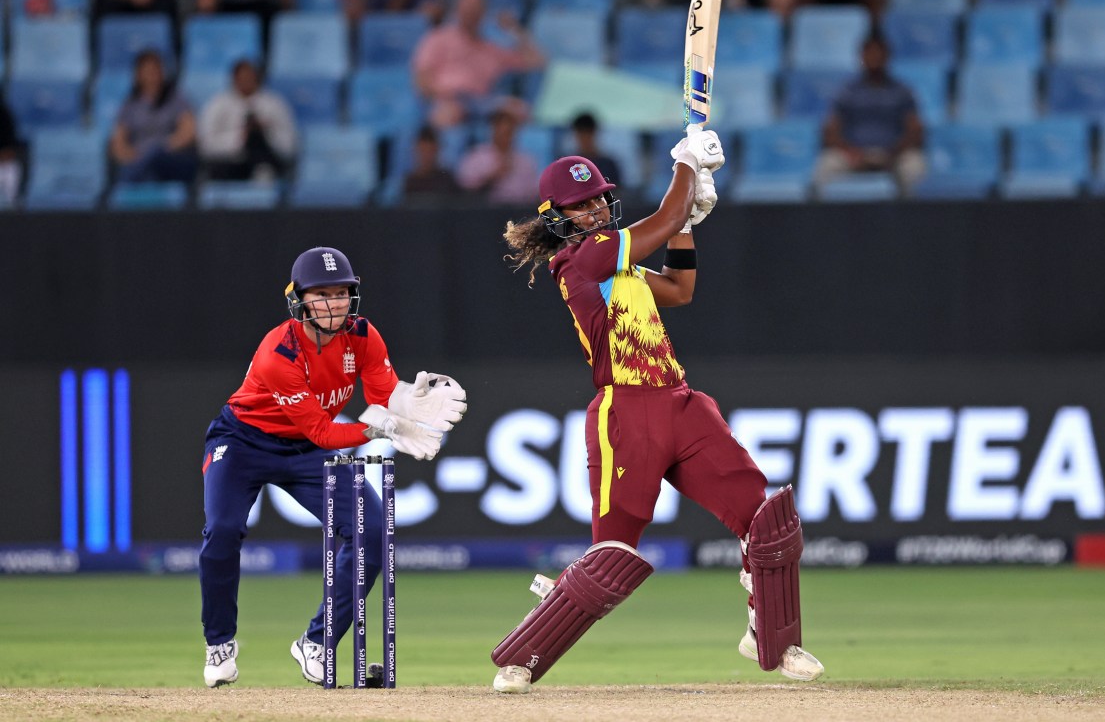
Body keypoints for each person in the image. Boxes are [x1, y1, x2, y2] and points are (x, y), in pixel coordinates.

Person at [490, 126, 824, 694]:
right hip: (625, 413)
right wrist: (686, 167)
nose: (595, 210)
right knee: (612, 556)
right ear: (558, 219)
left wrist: (688, 225)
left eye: (598, 198)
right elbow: (661, 221)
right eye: (580, 205)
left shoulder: (618, 264)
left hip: (681, 402)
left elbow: (678, 289)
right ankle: (526, 652)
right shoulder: (583, 261)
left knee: (764, 521)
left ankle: (773, 635)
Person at [199, 246, 467, 688]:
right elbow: (325, 433)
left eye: (342, 292)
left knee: (373, 531)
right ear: (299, 299)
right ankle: (219, 642)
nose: (334, 303)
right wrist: (378, 429)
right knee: (223, 531)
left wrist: (407, 401)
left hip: (303, 450)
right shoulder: (278, 354)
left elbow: (382, 391)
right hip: (243, 441)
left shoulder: (362, 334)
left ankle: (317, 642)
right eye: (321, 294)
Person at [411, 0, 545, 128]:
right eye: (467, 8)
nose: (470, 13)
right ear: (457, 10)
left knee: (520, 111)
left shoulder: (492, 49)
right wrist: (442, 95)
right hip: (448, 99)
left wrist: (514, 30)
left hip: (482, 102)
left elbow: (538, 62)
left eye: (475, 9)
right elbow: (422, 80)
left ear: (483, 12)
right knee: (446, 115)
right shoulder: (437, 38)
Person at [814, 35, 926, 197]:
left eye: (879, 54)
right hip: (854, 154)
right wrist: (850, 152)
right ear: (862, 57)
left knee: (915, 167)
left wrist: (894, 153)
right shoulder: (847, 92)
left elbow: (915, 131)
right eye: (870, 54)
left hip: (893, 154)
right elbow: (831, 130)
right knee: (827, 165)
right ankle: (824, 220)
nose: (874, 58)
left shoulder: (902, 92)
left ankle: (910, 219)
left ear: (887, 57)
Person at [198, 58, 298, 182]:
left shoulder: (274, 104)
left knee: (258, 142)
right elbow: (206, 145)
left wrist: (267, 132)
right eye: (241, 77)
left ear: (257, 77)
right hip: (229, 163)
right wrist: (240, 137)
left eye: (249, 76)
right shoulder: (217, 105)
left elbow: (289, 145)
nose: (246, 81)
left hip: (267, 160)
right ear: (233, 79)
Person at [109, 49, 199, 184]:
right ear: (138, 74)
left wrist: (162, 147)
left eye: (155, 69)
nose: (152, 74)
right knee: (145, 170)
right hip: (139, 159)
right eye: (147, 70)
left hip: (171, 157)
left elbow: (188, 132)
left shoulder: (176, 98)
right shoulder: (130, 105)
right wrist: (133, 155)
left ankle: (127, 186)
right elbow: (118, 142)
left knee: (153, 154)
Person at [456, 107, 539, 205]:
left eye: (508, 132)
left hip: (518, 212)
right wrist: (491, 178)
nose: (504, 136)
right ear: (493, 130)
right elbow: (465, 191)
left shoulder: (526, 161)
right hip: (485, 211)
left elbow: (533, 194)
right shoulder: (476, 157)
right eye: (501, 131)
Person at [402, 124, 463, 203]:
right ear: (415, 151)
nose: (426, 156)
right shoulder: (409, 182)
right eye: (422, 151)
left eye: (430, 151)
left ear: (437, 150)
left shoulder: (447, 180)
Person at [565, 112, 622, 188]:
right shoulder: (567, 165)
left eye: (588, 133)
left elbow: (617, 192)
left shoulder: (608, 165)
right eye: (581, 134)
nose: (585, 139)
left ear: (594, 133)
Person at [0, 95, 22, 207]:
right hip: (8, 160)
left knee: (12, 201)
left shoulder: (5, 114)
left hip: (8, 161)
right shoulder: (6, 113)